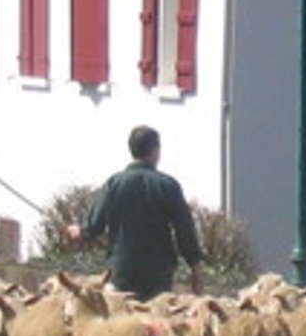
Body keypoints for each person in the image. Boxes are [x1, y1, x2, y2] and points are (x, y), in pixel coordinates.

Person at [66, 125, 204, 300]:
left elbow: (93, 228)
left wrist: (77, 231)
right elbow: (185, 231)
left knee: (122, 324)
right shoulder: (168, 186)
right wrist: (195, 269)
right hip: (157, 275)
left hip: (121, 273)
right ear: (155, 151)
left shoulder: (114, 184)